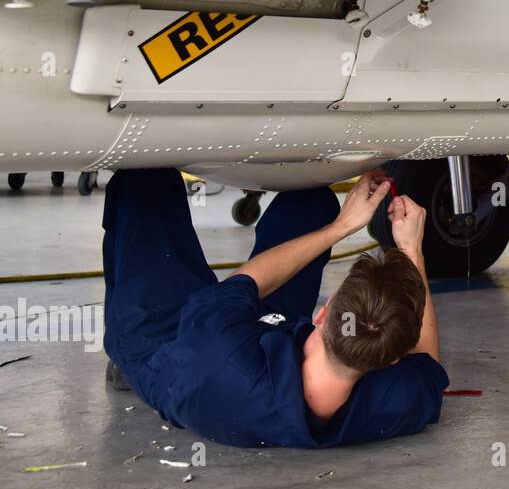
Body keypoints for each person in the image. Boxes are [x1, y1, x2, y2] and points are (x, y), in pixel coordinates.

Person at [101, 168, 448, 448]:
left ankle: (123, 366)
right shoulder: (391, 402)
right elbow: (428, 363)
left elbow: (246, 283)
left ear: (322, 314)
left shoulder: (223, 353)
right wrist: (410, 250)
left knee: (145, 184)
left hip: (170, 343)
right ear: (392, 360)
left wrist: (343, 227)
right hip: (272, 330)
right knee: (311, 203)